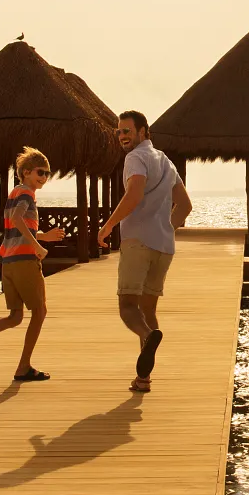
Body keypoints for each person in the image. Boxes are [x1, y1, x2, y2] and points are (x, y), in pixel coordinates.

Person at [96, 110, 190, 392]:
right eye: (119, 132)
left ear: (143, 132)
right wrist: (165, 228)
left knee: (127, 307)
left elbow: (133, 195)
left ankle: (148, 338)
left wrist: (108, 225)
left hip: (137, 242)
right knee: (147, 310)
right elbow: (185, 206)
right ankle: (143, 378)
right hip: (163, 247)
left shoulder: (135, 158)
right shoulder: (165, 161)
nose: (122, 136)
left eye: (127, 131)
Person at [0, 148, 68, 380]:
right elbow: (17, 220)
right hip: (24, 261)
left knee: (15, 316)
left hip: (8, 261)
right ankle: (23, 367)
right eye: (40, 173)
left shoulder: (14, 194)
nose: (43, 178)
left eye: (47, 174)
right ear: (26, 172)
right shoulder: (27, 194)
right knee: (40, 311)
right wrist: (38, 247)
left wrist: (44, 236)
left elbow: (17, 228)